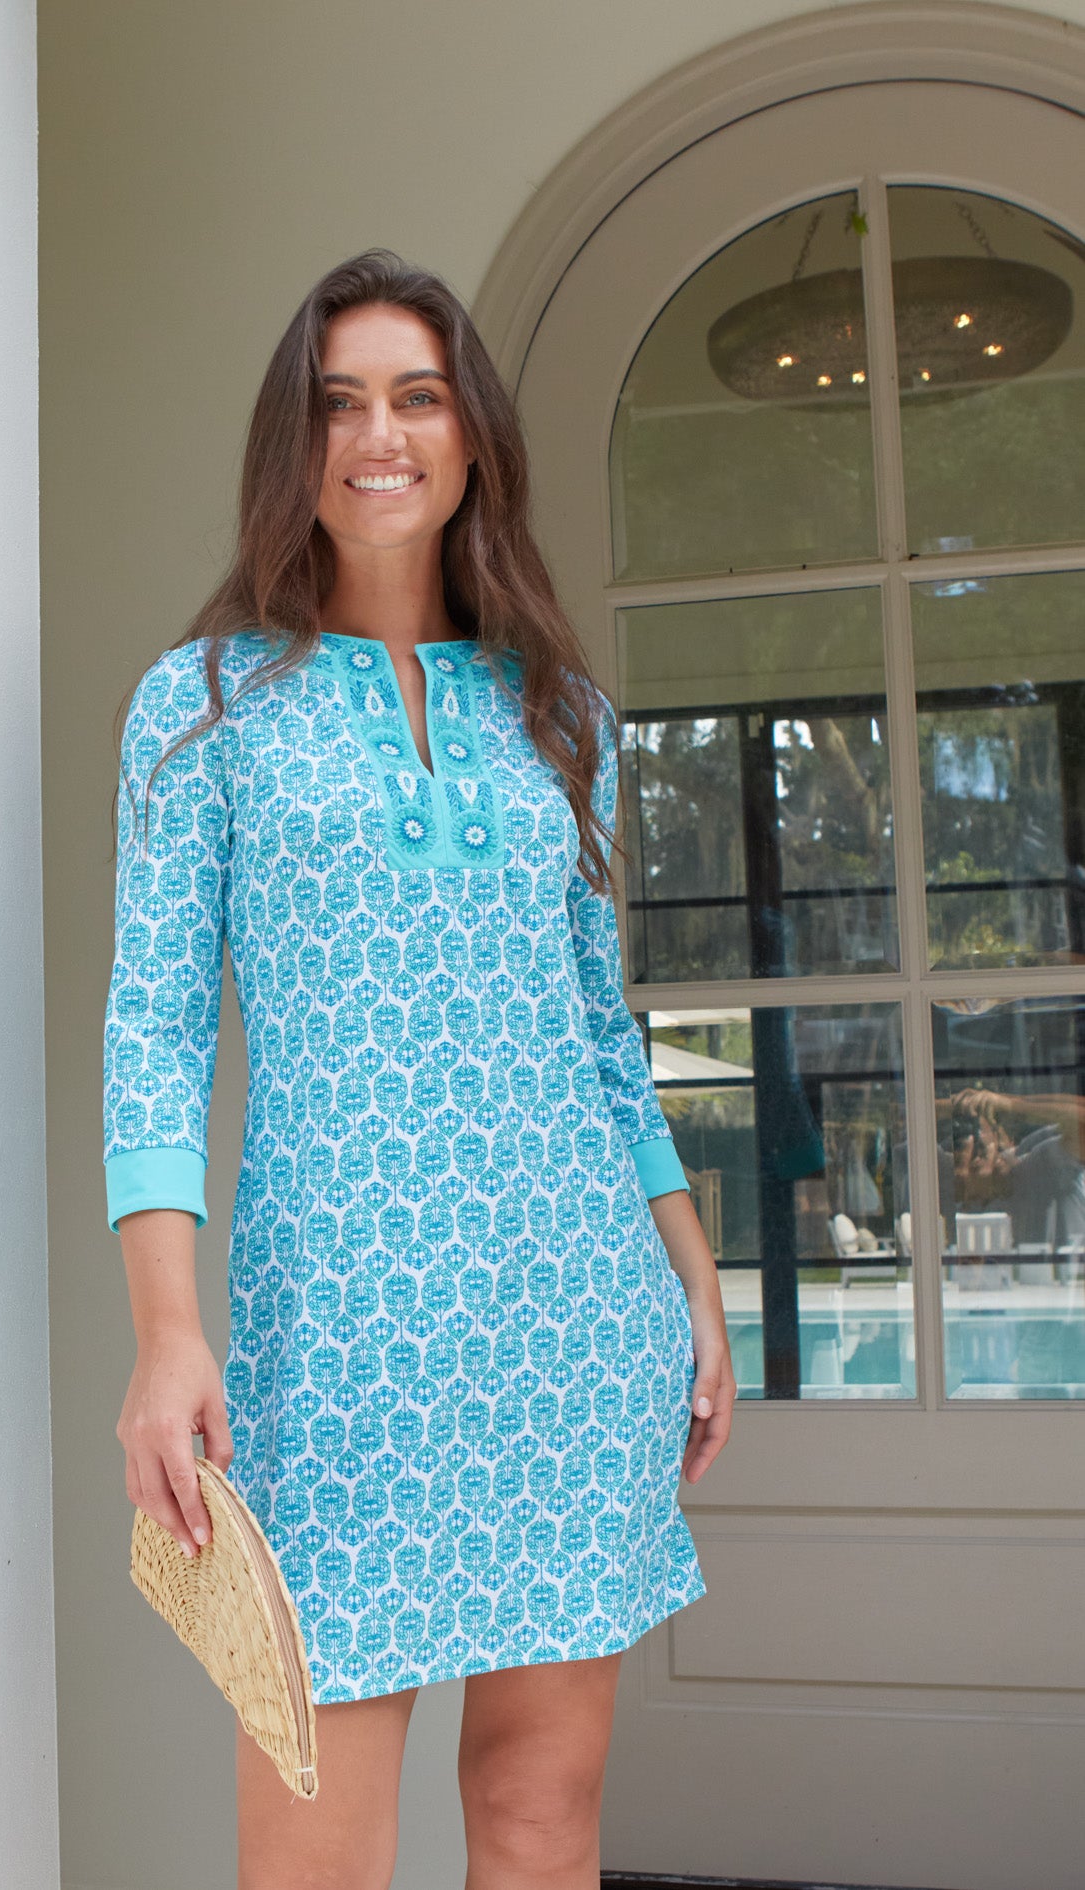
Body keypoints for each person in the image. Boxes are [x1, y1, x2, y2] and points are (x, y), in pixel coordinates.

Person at [103, 248, 735, 1890]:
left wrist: (691, 1276)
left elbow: (600, 1034)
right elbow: (154, 1037)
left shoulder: (560, 716)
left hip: (569, 1319)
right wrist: (168, 1338)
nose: (375, 435)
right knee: (314, 1854)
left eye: (414, 395)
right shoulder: (205, 707)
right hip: (339, 1347)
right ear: (290, 447)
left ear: (469, 441)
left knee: (542, 1820)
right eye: (335, 404)